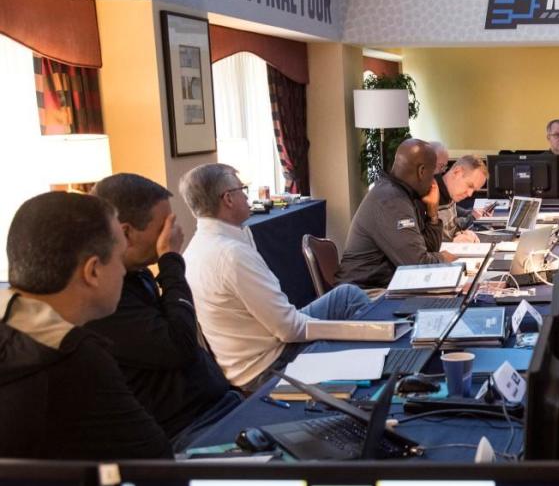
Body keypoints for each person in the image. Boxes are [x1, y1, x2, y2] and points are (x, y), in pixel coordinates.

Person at [0, 192, 172, 459]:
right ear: (92, 271)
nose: (123, 271)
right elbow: (156, 462)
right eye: (119, 258)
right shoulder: (75, 358)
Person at [181, 164, 373, 392]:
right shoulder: (231, 255)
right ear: (228, 199)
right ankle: (387, 366)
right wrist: (352, 330)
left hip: (256, 349)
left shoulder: (194, 249)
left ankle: (382, 349)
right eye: (242, 189)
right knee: (359, 336)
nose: (247, 196)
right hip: (269, 365)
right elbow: (289, 330)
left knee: (347, 296)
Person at [87, 174, 239, 448]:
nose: (172, 234)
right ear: (126, 233)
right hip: (190, 429)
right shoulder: (105, 299)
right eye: (163, 227)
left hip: (222, 405)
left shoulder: (138, 274)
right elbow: (180, 344)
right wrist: (170, 260)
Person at [338, 139, 453, 289]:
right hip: (365, 291)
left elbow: (427, 250)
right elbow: (418, 266)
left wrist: (432, 214)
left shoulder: (403, 194)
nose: (433, 182)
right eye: (432, 175)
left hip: (385, 285)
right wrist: (443, 258)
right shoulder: (391, 201)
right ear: (422, 171)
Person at [435, 155, 490, 242]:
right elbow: (418, 244)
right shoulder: (427, 195)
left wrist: (463, 234)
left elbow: (449, 230)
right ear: (457, 172)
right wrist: (452, 243)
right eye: (469, 185)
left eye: (474, 190)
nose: (469, 194)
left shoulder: (450, 194)